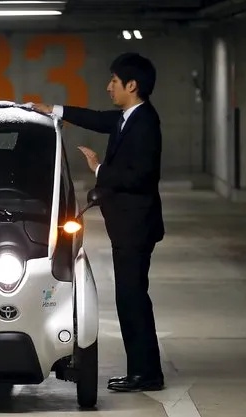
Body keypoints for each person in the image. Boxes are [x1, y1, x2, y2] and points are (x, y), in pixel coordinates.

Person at [31, 52, 165, 392]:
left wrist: (99, 169)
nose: (109, 87)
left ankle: (146, 373)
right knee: (129, 299)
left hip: (136, 228)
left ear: (131, 85)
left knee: (132, 299)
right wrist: (55, 111)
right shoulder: (127, 117)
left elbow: (141, 176)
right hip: (127, 228)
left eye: (114, 82)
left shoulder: (146, 122)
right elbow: (99, 119)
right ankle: (141, 370)